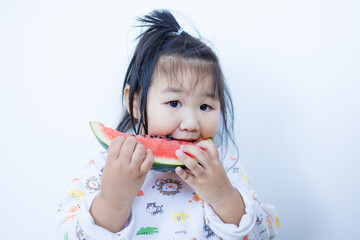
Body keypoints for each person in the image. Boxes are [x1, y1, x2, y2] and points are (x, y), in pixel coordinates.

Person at [56, 9, 279, 240]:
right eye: (174, 102)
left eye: (205, 106)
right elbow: (67, 234)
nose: (191, 124)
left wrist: (223, 197)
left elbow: (265, 233)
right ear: (134, 102)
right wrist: (112, 201)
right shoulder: (104, 167)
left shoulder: (226, 166)